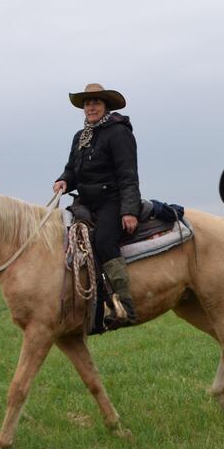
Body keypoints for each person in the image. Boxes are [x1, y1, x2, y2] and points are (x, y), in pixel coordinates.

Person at [54, 83, 141, 325]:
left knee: (103, 241)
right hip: (84, 202)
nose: (91, 107)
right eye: (87, 103)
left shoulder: (119, 133)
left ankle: (125, 306)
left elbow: (128, 175)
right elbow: (73, 169)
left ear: (105, 106)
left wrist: (129, 211)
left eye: (96, 102)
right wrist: (63, 180)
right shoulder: (80, 137)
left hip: (111, 201)